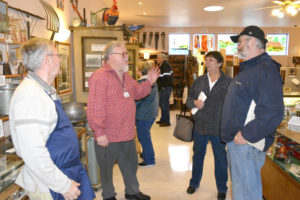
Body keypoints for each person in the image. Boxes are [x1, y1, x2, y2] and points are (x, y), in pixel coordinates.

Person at [9, 38, 95, 200]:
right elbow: (32, 151)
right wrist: (62, 185)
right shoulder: (30, 96)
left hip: (65, 171)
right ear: (47, 60)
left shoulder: (46, 90)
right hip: (49, 185)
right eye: (58, 55)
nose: (60, 60)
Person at [87, 41, 160, 200]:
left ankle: (132, 191)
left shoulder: (126, 76)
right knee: (106, 170)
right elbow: (95, 107)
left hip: (126, 133)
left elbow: (138, 92)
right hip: (108, 135)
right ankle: (108, 195)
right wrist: (99, 132)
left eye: (126, 53)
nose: (127, 57)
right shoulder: (100, 77)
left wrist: (149, 82)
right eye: (123, 54)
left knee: (131, 165)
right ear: (111, 57)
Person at [221, 25, 284, 200]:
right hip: (239, 143)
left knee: (246, 195)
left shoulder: (265, 69)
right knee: (242, 192)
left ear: (253, 42)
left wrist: (246, 135)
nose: (237, 46)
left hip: (246, 144)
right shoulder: (249, 69)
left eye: (240, 42)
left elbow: (274, 112)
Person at [185, 51, 231, 200]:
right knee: (198, 155)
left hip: (219, 127)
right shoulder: (199, 81)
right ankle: (194, 183)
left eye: (211, 60)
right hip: (201, 126)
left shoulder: (228, 82)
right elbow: (188, 100)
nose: (207, 63)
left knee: (220, 159)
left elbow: (233, 105)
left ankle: (222, 188)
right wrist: (194, 103)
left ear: (219, 63)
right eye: (206, 60)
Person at [135, 61, 159, 167]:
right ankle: (146, 154)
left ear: (139, 71)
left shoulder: (142, 83)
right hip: (151, 113)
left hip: (144, 115)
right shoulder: (151, 82)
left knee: (144, 137)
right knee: (145, 135)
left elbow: (137, 100)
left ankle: (150, 160)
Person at [156, 53, 173, 127]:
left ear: (163, 58)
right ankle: (163, 119)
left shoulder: (165, 66)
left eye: (158, 58)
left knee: (165, 104)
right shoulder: (162, 66)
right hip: (163, 88)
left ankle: (166, 121)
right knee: (162, 105)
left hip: (165, 88)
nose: (157, 59)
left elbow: (166, 78)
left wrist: (162, 86)